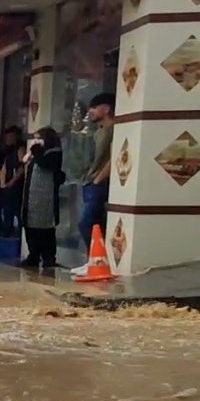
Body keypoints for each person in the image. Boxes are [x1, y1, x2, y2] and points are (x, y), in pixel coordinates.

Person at [76, 93, 114, 272]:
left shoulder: (114, 130)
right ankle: (95, 260)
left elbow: (114, 157)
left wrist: (99, 179)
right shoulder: (97, 132)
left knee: (87, 222)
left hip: (99, 183)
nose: (90, 111)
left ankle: (97, 260)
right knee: (96, 224)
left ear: (106, 109)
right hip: (90, 182)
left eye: (94, 107)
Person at [19, 127, 65, 269]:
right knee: (30, 226)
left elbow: (45, 164)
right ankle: (33, 255)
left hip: (46, 198)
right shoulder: (35, 154)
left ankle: (48, 257)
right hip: (31, 196)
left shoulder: (54, 153)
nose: (36, 141)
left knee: (45, 229)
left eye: (39, 138)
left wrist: (36, 150)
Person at [0, 126, 26, 238]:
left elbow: (21, 169)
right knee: (7, 214)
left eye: (10, 136)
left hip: (16, 186)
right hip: (8, 185)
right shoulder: (8, 151)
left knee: (16, 212)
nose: (8, 139)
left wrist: (12, 182)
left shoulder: (20, 149)